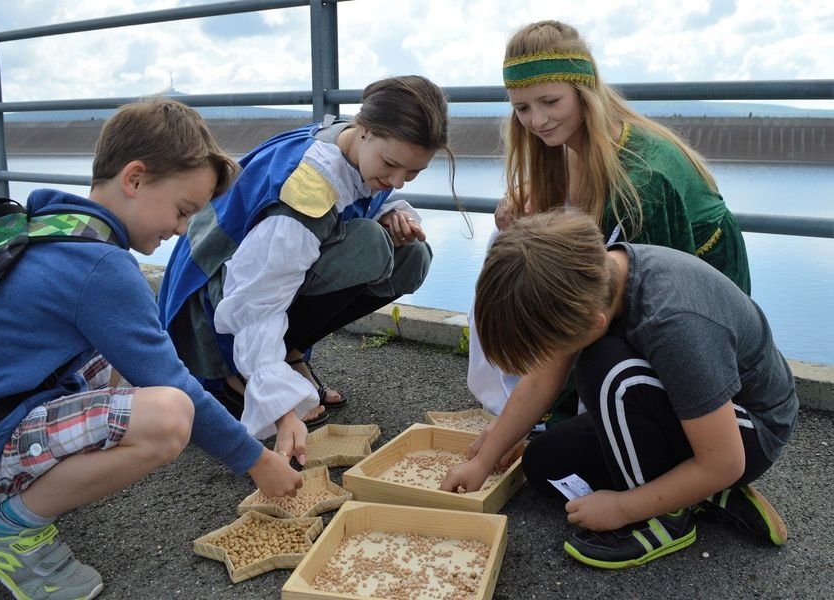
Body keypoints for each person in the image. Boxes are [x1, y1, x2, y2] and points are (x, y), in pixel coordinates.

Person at [0, 97, 303, 600]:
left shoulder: (50, 228)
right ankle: (5, 532)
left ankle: (33, 490)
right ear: (134, 178)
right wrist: (256, 461)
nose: (179, 230)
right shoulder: (100, 267)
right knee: (169, 415)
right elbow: (174, 387)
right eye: (181, 211)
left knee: (121, 359)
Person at [442, 210, 797, 569]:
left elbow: (726, 460)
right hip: (682, 412)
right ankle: (706, 494)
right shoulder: (587, 277)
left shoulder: (673, 322)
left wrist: (623, 508)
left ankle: (668, 519)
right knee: (544, 465)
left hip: (748, 433)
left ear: (594, 322)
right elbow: (540, 380)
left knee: (605, 367)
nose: (549, 357)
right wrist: (485, 460)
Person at [158, 75, 456, 465]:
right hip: (212, 308)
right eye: (391, 165)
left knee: (411, 255)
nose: (398, 180)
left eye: (412, 173)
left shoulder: (355, 146)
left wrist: (391, 210)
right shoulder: (307, 188)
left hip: (256, 279)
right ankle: (238, 375)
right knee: (368, 246)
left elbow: (351, 201)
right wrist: (279, 406)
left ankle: (291, 351)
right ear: (364, 130)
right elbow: (255, 296)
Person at [467, 20, 751, 419]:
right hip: (639, 259)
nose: (538, 121)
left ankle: (580, 405)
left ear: (584, 92)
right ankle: (524, 396)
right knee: (504, 246)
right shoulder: (570, 146)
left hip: (698, 278)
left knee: (608, 343)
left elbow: (657, 297)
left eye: (550, 102)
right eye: (523, 108)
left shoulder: (643, 184)